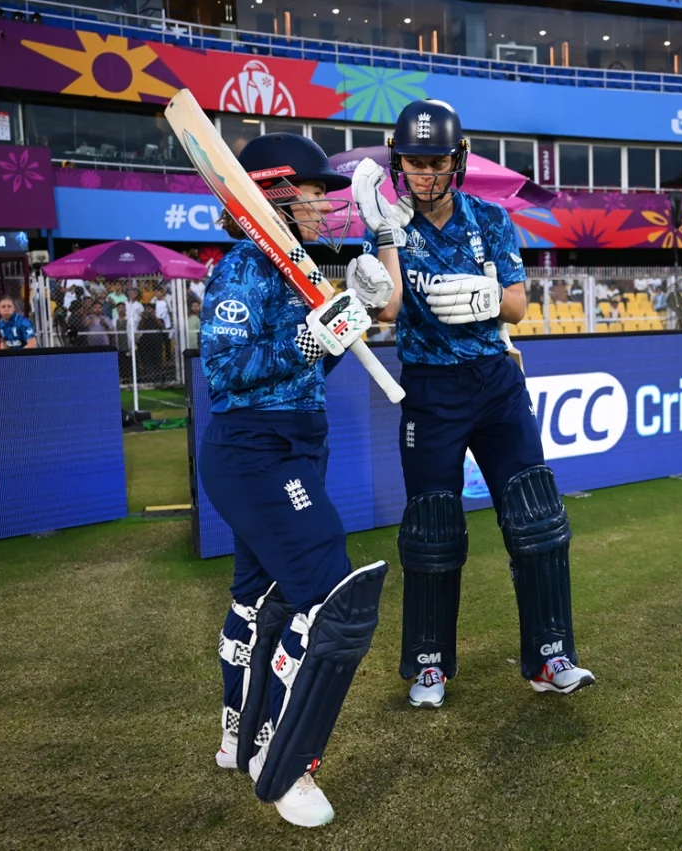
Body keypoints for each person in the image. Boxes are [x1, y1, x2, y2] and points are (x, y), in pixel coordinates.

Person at [359, 98, 595, 709]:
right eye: (414, 163)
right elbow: (385, 311)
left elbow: (517, 306)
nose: (425, 175)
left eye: (436, 161)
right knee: (432, 529)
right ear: (398, 163)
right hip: (430, 390)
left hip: (495, 382)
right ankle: (429, 664)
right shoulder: (387, 226)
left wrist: (484, 295)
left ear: (457, 159)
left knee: (536, 519)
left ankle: (551, 655)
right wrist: (383, 231)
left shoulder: (490, 219)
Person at [199, 132, 388, 829]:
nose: (323, 206)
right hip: (256, 451)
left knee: (256, 598)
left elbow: (304, 372)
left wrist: (346, 324)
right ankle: (284, 758)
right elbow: (225, 372)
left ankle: (237, 735)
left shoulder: (296, 264)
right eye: (313, 192)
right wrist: (312, 336)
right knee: (325, 588)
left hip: (294, 444)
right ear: (274, 193)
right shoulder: (244, 266)